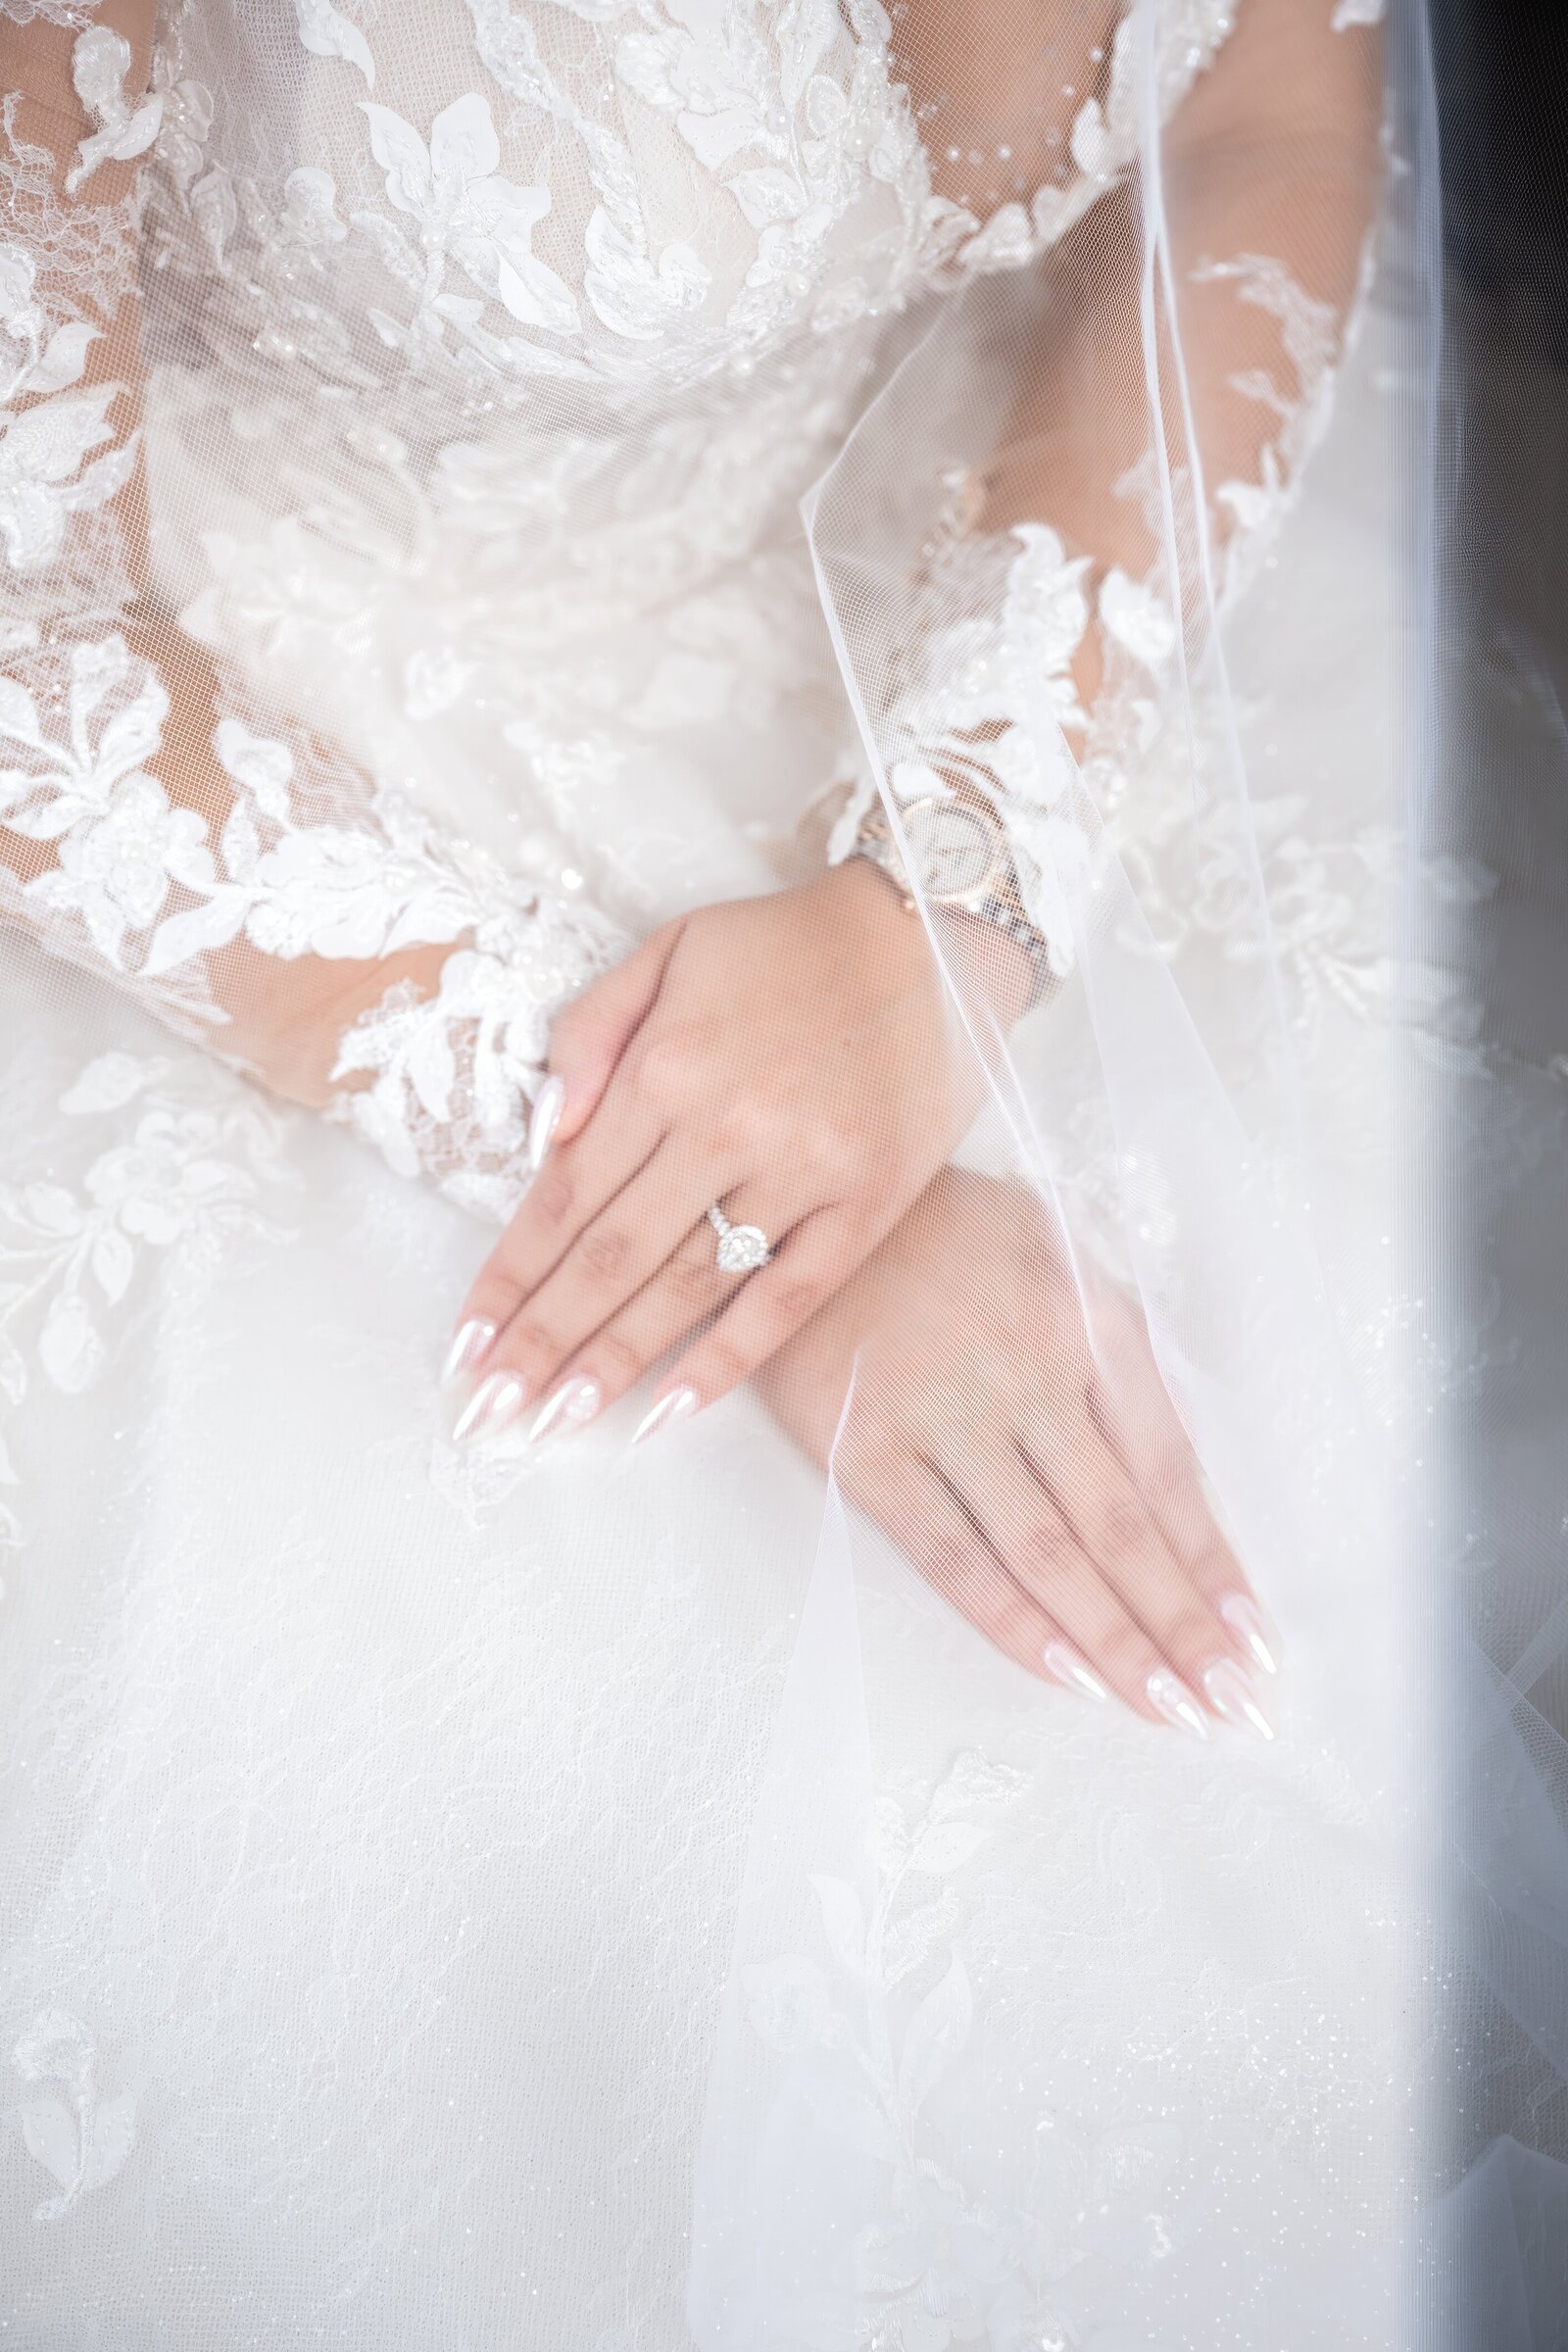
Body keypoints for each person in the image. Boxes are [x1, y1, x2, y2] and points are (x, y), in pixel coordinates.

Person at [0, 3, 1405, 2343]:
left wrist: (952, 899)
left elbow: (1261, 122)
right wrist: (707, 1182)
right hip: (243, 774)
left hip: (939, 601)